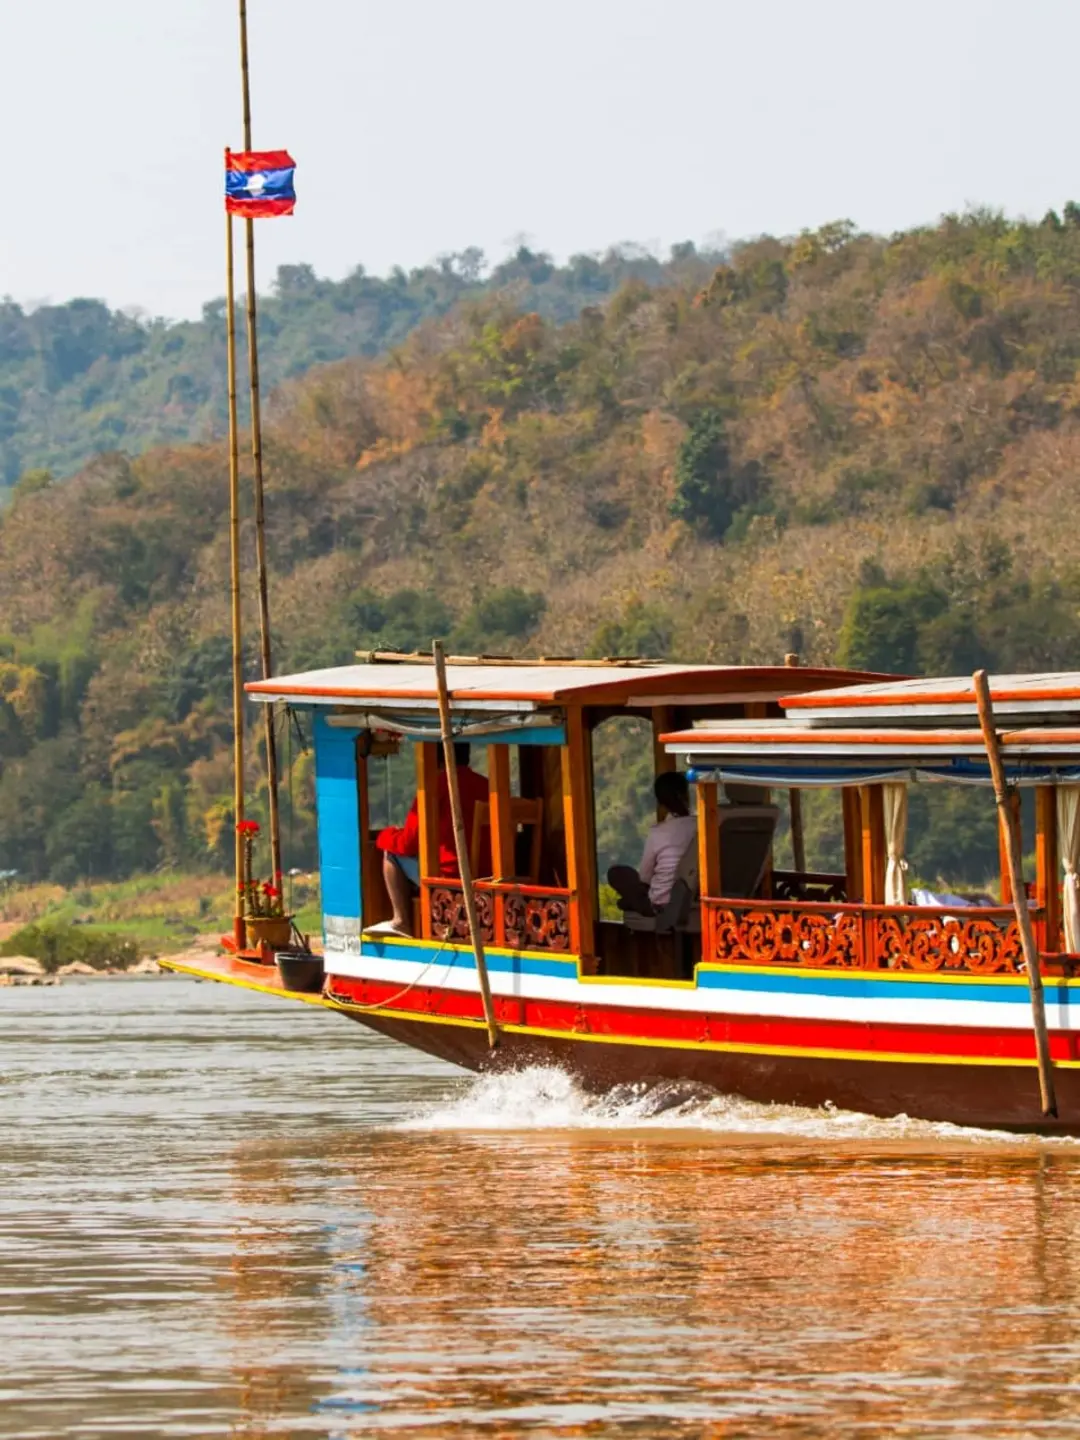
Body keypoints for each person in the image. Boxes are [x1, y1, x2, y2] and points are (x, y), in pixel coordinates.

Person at [369, 742, 489, 936]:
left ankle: (401, 921)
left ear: (437, 758)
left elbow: (407, 844)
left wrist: (385, 836)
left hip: (450, 878)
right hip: (489, 876)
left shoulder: (436, 787)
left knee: (391, 853)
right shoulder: (488, 786)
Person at [608, 771, 696, 917]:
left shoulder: (657, 833)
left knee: (617, 874)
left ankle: (629, 902)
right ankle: (630, 902)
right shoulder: (702, 826)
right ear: (686, 795)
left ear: (661, 803)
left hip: (661, 903)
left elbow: (645, 877)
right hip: (694, 897)